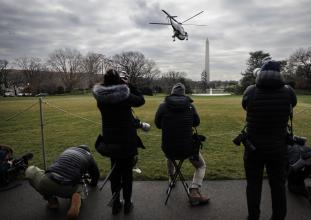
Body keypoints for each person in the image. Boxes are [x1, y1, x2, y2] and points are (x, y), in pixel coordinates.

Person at [241, 60, 297, 220]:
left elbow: (245, 106)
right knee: (278, 186)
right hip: (278, 147)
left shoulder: (250, 90)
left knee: (253, 186)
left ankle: (253, 217)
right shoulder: (288, 91)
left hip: (253, 148)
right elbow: (292, 104)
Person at [92, 69, 145, 215]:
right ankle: (127, 204)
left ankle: (116, 204)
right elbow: (141, 100)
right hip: (127, 140)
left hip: (110, 140)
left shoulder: (100, 98)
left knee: (115, 172)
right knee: (127, 174)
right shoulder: (125, 95)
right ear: (119, 81)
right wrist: (129, 85)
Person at [155, 83, 209, 206]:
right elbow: (196, 123)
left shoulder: (163, 106)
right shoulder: (190, 106)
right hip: (187, 149)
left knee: (169, 152)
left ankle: (171, 178)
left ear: (172, 92)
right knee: (201, 166)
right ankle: (194, 190)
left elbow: (158, 124)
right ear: (184, 94)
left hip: (168, 148)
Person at [25, 145, 100, 220]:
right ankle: (77, 196)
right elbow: (96, 174)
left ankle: (52, 201)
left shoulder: (68, 150)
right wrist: (93, 184)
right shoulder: (89, 157)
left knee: (31, 170)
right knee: (79, 188)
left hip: (49, 180)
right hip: (70, 187)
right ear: (88, 151)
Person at [287, 141, 311, 209]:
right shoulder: (295, 141)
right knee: (299, 177)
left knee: (291, 187)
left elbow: (289, 169)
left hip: (303, 160)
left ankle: (307, 192)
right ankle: (300, 184)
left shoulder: (283, 150)